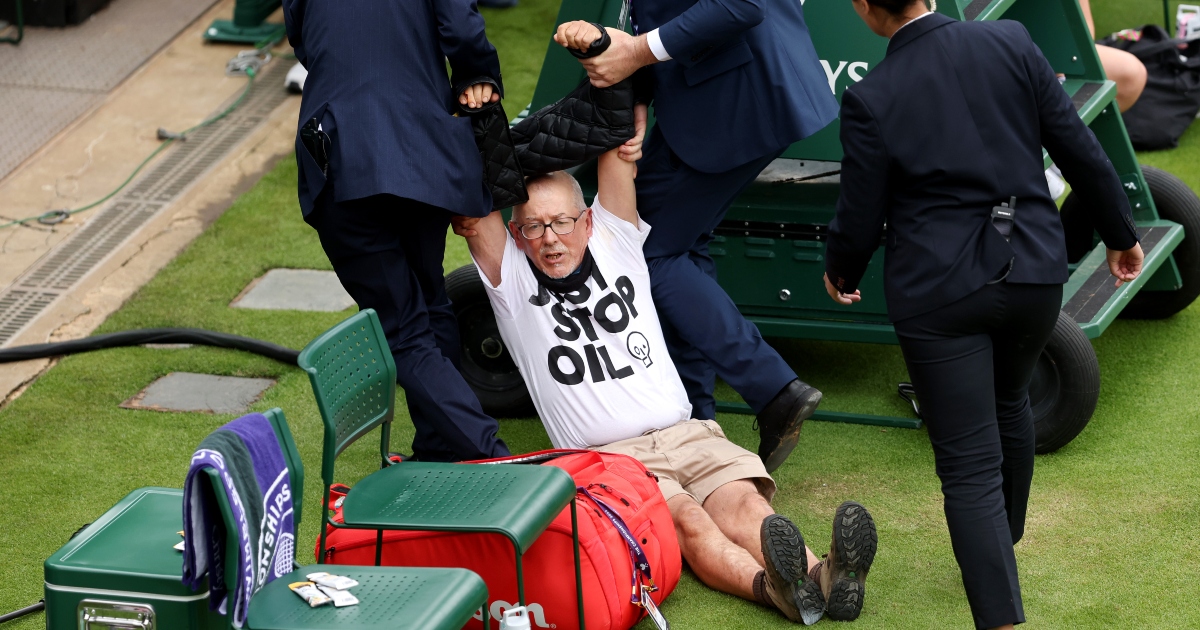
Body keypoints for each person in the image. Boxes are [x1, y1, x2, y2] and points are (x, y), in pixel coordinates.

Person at [452, 106, 878, 624]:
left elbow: (613, 141)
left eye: (562, 222)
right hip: (610, 461)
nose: (549, 238)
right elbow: (476, 217)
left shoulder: (617, 242)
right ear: (517, 235)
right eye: (534, 226)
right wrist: (480, 106)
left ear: (586, 221)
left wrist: (617, 91)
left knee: (748, 509)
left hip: (687, 432)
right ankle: (776, 591)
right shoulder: (511, 283)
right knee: (691, 524)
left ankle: (824, 579)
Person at [822, 1, 1144, 629]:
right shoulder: (1013, 42)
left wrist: (842, 272)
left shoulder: (871, 94)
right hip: (1034, 273)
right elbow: (1081, 149)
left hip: (939, 293)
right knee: (1011, 403)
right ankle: (1005, 541)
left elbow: (860, 212)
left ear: (864, 7)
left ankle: (999, 607)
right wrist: (1119, 232)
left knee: (967, 466)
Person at [550, 0, 840, 474]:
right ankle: (696, 416)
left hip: (737, 93)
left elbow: (739, 5)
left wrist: (637, 53)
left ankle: (772, 387)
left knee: (643, 250)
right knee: (680, 248)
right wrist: (638, 91)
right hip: (732, 89)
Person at [282, 0, 510, 462]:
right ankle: (441, 444)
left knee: (403, 328)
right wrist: (474, 75)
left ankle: (491, 455)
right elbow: (463, 31)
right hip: (422, 147)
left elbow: (303, 37)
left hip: (344, 152)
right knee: (429, 300)